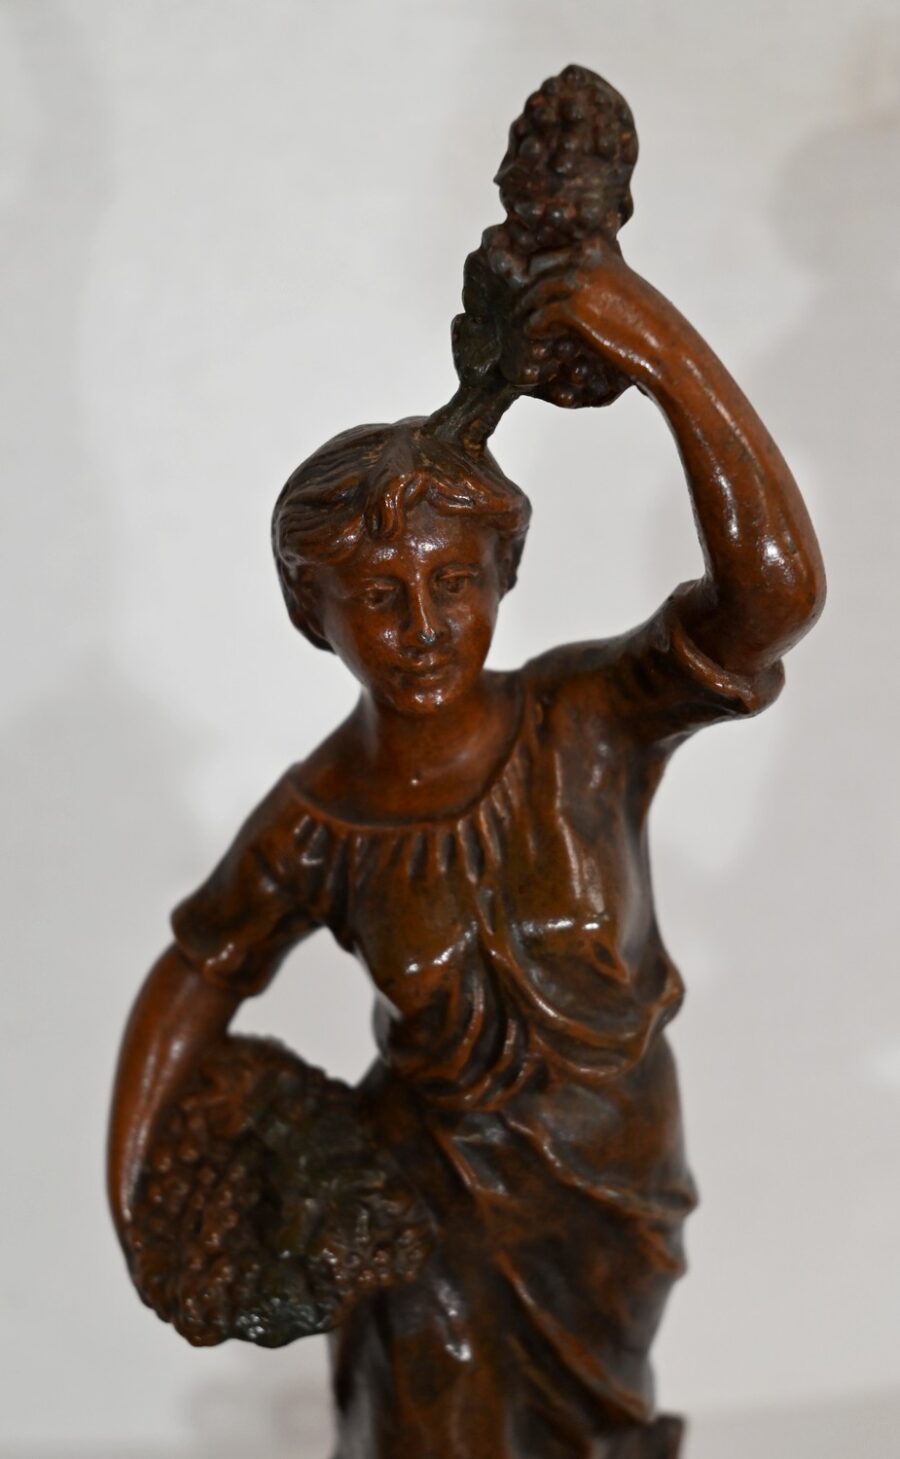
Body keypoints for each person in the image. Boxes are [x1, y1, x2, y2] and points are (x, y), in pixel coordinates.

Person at [108, 238, 825, 1459]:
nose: (426, 626)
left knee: (595, 1435)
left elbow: (773, 600)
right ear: (313, 613)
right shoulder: (320, 816)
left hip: (609, 1189)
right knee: (429, 1415)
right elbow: (204, 962)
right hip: (426, 1187)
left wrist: (658, 348)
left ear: (506, 572)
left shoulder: (588, 721)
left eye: (454, 580)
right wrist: (139, 1186)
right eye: (379, 596)